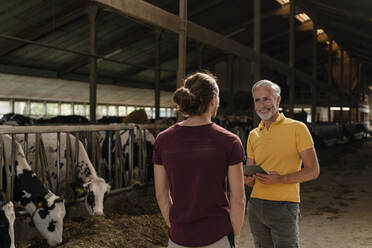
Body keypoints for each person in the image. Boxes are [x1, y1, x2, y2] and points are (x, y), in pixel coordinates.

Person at [153, 72, 246, 248]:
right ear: (213, 100)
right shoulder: (230, 141)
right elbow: (238, 199)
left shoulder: (163, 140)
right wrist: (235, 235)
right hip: (217, 235)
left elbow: (161, 194)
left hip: (178, 238)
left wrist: (175, 226)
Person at [244, 79, 320, 248]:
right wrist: (247, 179)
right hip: (256, 206)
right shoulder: (253, 135)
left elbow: (313, 171)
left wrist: (281, 179)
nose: (262, 105)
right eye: (257, 100)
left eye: (266, 99)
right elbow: (251, 178)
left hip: (284, 206)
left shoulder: (297, 128)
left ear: (278, 100)